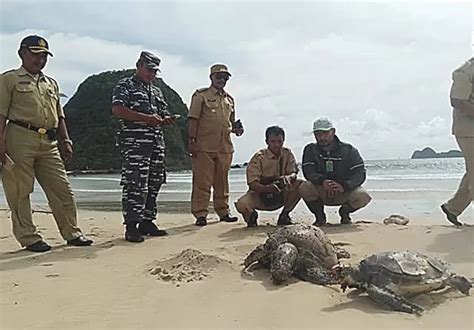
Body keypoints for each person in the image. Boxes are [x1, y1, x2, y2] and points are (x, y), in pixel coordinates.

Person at [0, 35, 93, 252]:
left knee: (62, 189)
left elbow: (60, 116)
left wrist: (66, 139)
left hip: (49, 141)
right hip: (19, 136)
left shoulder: (51, 83)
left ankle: (72, 232)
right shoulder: (8, 79)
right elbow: (1, 114)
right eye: (35, 54)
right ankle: (29, 238)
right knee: (20, 190)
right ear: (22, 53)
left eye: (44, 56)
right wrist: (1, 145)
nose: (40, 60)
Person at [112, 51, 176, 243]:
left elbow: (162, 111)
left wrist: (166, 119)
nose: (151, 74)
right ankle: (131, 226)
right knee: (135, 184)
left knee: (154, 182)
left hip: (156, 144)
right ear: (139, 65)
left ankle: (147, 221)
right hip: (135, 145)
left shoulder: (156, 91)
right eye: (149, 70)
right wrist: (147, 118)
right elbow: (118, 110)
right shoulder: (125, 85)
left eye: (155, 71)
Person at [187, 64, 244, 226]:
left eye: (225, 78)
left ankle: (223, 211)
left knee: (222, 182)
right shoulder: (200, 96)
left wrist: (237, 129)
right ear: (211, 77)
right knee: (202, 182)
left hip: (224, 147)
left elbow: (230, 124)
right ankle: (200, 214)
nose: (222, 80)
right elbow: (193, 119)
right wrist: (192, 141)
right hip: (204, 146)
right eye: (219, 77)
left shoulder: (229, 99)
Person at [299, 117, 371, 226]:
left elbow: (360, 174)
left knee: (363, 196)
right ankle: (320, 217)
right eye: (318, 134)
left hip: (343, 191)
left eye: (325, 133)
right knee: (304, 186)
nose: (322, 137)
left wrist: (344, 186)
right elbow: (308, 171)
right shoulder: (310, 149)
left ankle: (345, 212)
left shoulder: (349, 150)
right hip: (321, 189)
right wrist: (323, 181)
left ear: (333, 132)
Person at [235, 126, 303, 227]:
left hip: (282, 193)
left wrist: (289, 178)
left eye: (279, 141)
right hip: (260, 195)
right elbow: (252, 183)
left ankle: (284, 215)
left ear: (283, 141)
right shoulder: (258, 158)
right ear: (267, 141)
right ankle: (251, 217)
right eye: (273, 141)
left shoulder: (287, 154)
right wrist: (267, 188)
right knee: (241, 203)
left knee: (300, 184)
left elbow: (293, 173)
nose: (276, 145)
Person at [440, 58, 474, 226]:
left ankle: (453, 207)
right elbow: (457, 100)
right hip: (468, 131)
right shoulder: (465, 70)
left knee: (472, 173)